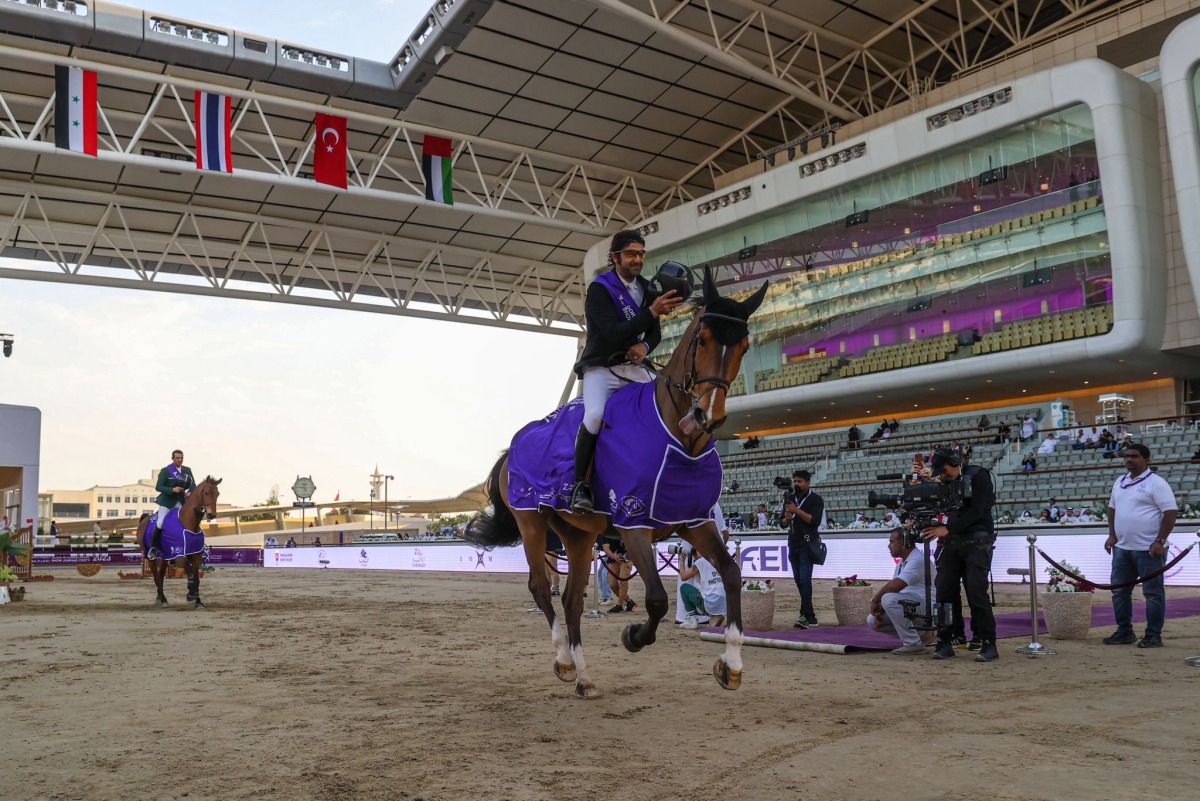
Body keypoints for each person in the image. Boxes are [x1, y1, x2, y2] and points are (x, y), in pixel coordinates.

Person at [569, 229, 686, 514]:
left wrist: (645, 346)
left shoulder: (647, 288)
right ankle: (579, 486)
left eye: (641, 254)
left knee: (669, 404)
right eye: (631, 254)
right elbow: (610, 333)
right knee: (595, 415)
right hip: (602, 366)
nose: (637, 259)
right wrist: (651, 312)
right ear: (615, 257)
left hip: (634, 366)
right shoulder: (600, 288)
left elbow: (654, 333)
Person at [922, 448, 999, 662]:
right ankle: (946, 640)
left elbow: (977, 510)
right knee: (944, 591)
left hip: (977, 541)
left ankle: (988, 642)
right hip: (952, 543)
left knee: (976, 592)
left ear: (956, 463)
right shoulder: (946, 482)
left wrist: (948, 529)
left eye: (944, 470)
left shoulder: (979, 475)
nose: (942, 474)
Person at [1103, 444, 1177, 649]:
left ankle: (1153, 635)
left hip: (1148, 549)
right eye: (1127, 456)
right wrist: (1112, 535)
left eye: (1134, 456)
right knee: (1119, 592)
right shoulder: (1120, 481)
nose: (1129, 460)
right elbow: (1112, 509)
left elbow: (1170, 513)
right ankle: (1124, 631)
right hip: (1122, 548)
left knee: (1152, 593)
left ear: (1147, 460)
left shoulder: (1157, 483)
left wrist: (1160, 541)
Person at [868, 528, 936, 654]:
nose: (889, 546)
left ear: (905, 543)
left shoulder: (917, 560)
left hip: (926, 608)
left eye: (892, 542)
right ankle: (922, 635)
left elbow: (894, 587)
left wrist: (875, 601)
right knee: (872, 620)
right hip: (911, 605)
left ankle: (913, 644)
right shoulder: (902, 563)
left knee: (888, 599)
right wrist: (881, 609)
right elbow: (896, 592)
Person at [675, 505, 731, 628]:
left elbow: (684, 577)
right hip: (723, 604)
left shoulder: (699, 562)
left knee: (686, 587)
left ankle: (689, 617)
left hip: (695, 544)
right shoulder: (720, 559)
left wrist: (681, 560)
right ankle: (708, 616)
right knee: (705, 584)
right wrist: (720, 549)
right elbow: (725, 533)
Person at [782, 469, 824, 629]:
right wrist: (786, 519)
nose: (796, 484)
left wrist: (796, 511)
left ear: (808, 483)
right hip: (793, 542)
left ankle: (806, 616)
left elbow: (815, 521)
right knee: (799, 581)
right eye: (795, 481)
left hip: (808, 544)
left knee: (805, 580)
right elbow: (782, 523)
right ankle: (809, 616)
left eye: (800, 481)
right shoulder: (789, 498)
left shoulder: (816, 499)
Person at [151, 449, 197, 554]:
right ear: (173, 458)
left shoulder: (187, 470)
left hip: (181, 500)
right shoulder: (166, 470)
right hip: (167, 502)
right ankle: (153, 547)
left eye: (181, 458)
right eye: (177, 458)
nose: (180, 460)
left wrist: (190, 491)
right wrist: (172, 489)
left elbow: (193, 484)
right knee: (161, 522)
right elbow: (158, 487)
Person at [601, 535, 637, 613]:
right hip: (613, 559)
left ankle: (620, 605)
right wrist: (614, 556)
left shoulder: (625, 527)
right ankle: (629, 602)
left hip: (628, 557)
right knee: (612, 584)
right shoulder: (607, 532)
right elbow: (606, 548)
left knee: (623, 580)